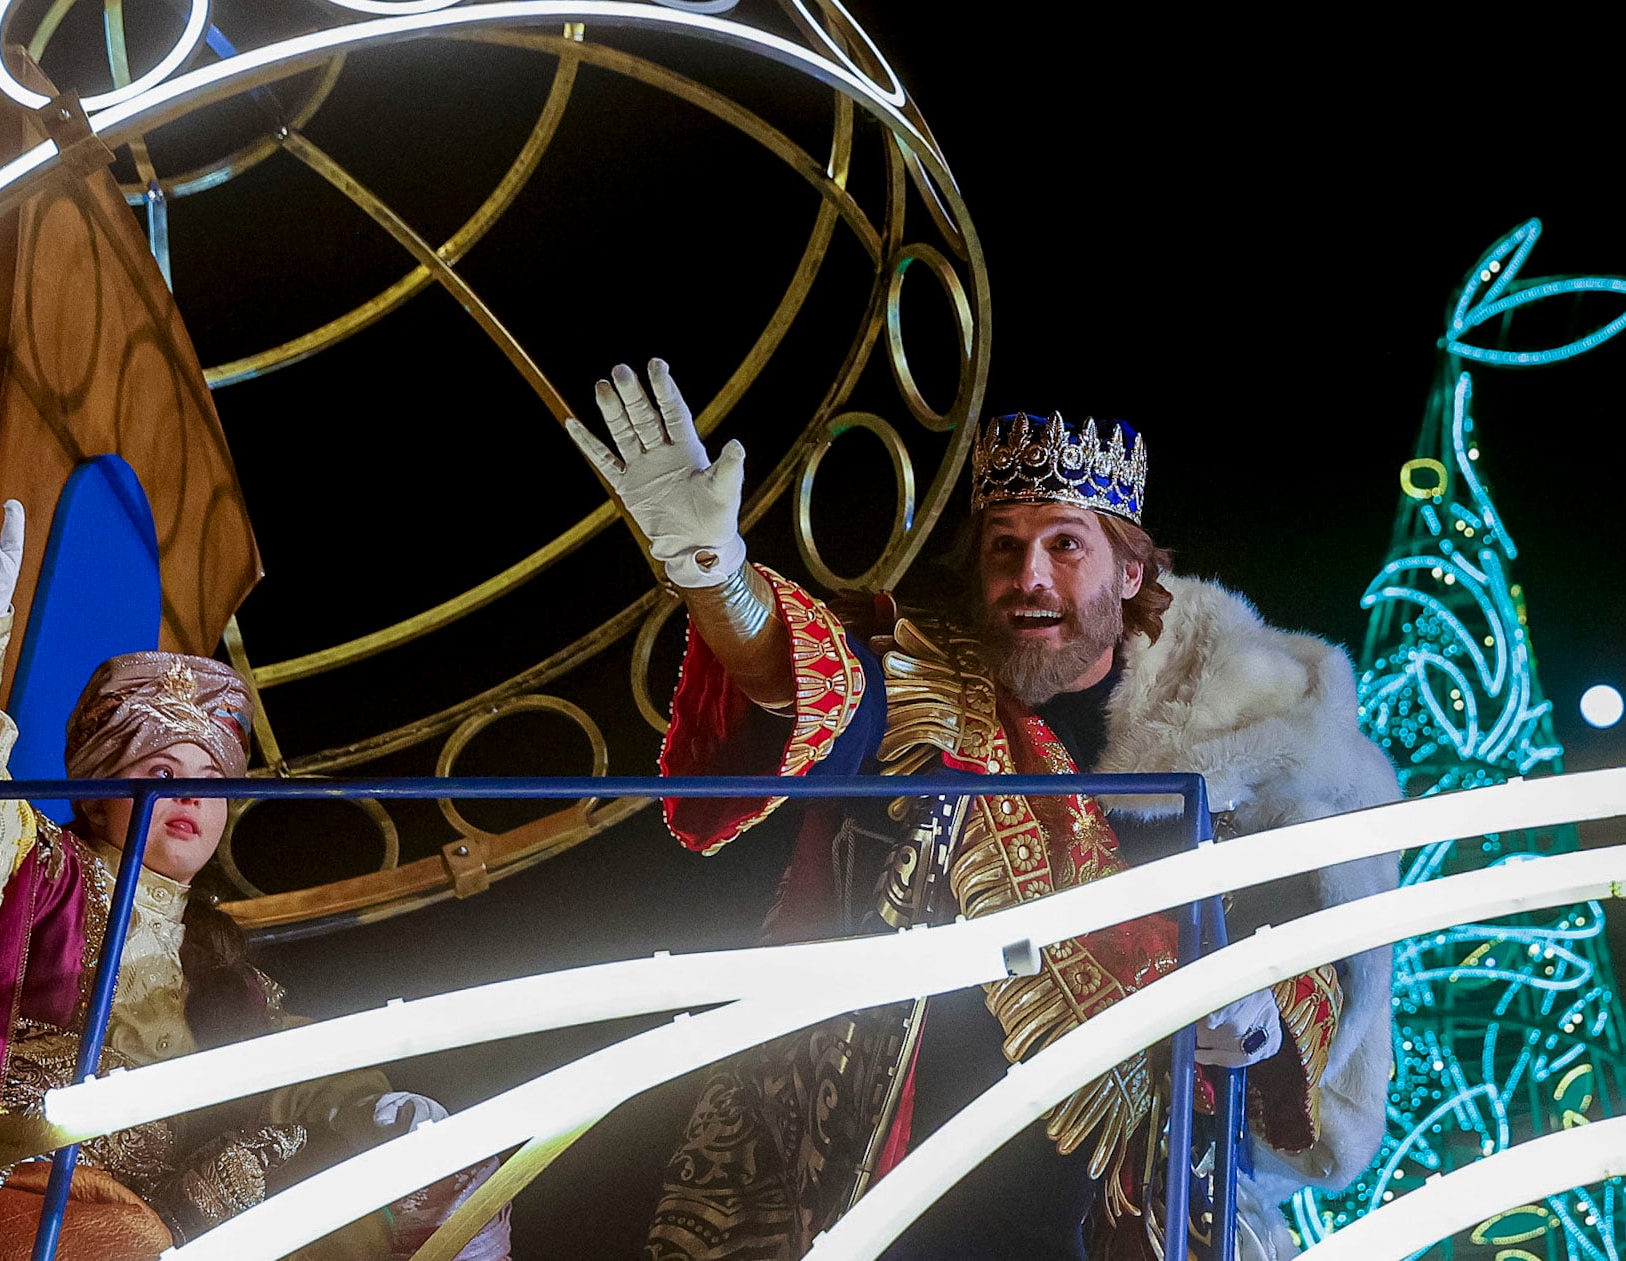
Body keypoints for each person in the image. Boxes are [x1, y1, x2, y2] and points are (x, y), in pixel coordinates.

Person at [566, 364, 1400, 1259]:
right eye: (1003, 545)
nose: (1027, 574)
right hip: (876, 1175)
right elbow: (814, 682)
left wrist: (1258, 1017)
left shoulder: (1256, 731)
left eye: (1063, 545)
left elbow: (1313, 961)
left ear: (1128, 570)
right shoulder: (937, 678)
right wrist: (714, 576)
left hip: (1120, 1198)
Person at [0, 459, 510, 1261]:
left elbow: (297, 1067)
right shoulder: (40, 871)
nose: (190, 797)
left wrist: (378, 1110)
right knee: (128, 1240)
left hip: (163, 1213)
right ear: (94, 795)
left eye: (208, 778)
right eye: (159, 775)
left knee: (396, 1217)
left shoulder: (226, 967)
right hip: (13, 1187)